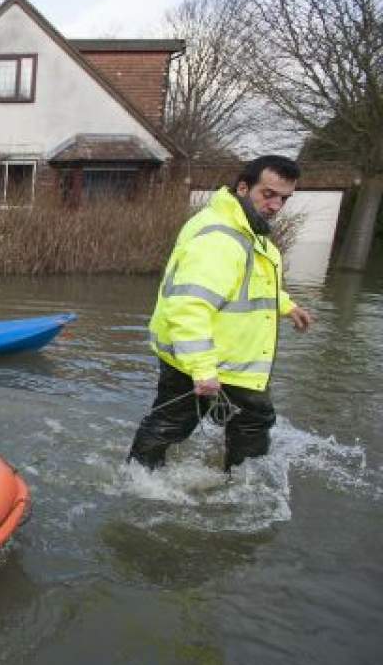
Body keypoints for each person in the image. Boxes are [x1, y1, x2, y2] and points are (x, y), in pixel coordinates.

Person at [128, 155, 314, 472]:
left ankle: (143, 475)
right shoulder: (220, 237)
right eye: (267, 194)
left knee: (215, 422)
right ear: (243, 187)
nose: (276, 205)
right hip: (209, 360)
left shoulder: (247, 230)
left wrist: (286, 305)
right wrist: (203, 369)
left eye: (284, 198)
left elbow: (247, 284)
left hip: (226, 359)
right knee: (179, 424)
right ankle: (144, 480)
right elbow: (189, 306)